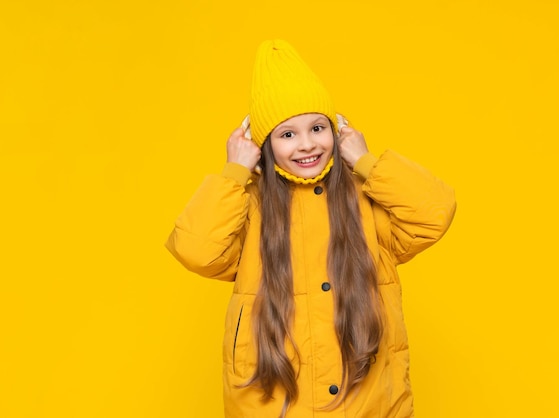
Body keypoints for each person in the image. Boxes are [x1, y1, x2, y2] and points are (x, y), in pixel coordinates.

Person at [165, 39, 456, 418]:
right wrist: (234, 172)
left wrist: (365, 160)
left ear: (337, 131)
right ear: (264, 144)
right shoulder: (248, 206)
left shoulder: (365, 199)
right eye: (287, 134)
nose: (306, 145)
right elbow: (196, 250)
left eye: (317, 128)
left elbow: (434, 212)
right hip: (276, 405)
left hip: (367, 403)